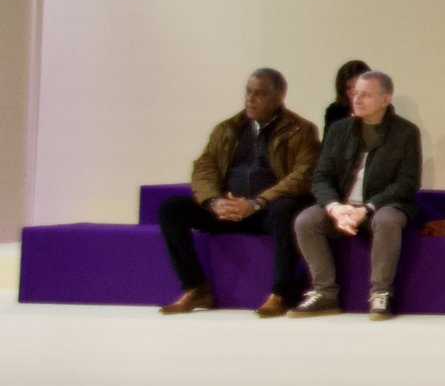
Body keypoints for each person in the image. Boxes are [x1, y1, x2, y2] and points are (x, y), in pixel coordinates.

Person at [157, 69, 320, 317]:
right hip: (227, 208)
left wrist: (257, 203)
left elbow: (304, 174)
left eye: (259, 94)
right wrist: (214, 202)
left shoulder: (301, 130)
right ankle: (196, 287)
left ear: (279, 97)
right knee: (171, 208)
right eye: (248, 92)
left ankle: (280, 294)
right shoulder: (227, 129)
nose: (250, 99)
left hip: (266, 210)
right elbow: (204, 167)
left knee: (287, 210)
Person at [290, 71, 422, 321]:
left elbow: (407, 182)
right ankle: (325, 293)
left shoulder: (405, 132)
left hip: (382, 206)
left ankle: (380, 293)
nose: (357, 99)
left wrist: (367, 208)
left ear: (385, 99)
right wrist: (334, 207)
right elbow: (321, 177)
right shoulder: (339, 130)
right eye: (355, 93)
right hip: (343, 205)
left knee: (387, 220)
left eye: (365, 95)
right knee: (306, 220)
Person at [323, 59, 370, 133]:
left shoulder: (381, 111)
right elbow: (329, 139)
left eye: (357, 87)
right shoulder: (335, 111)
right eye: (348, 88)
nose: (353, 92)